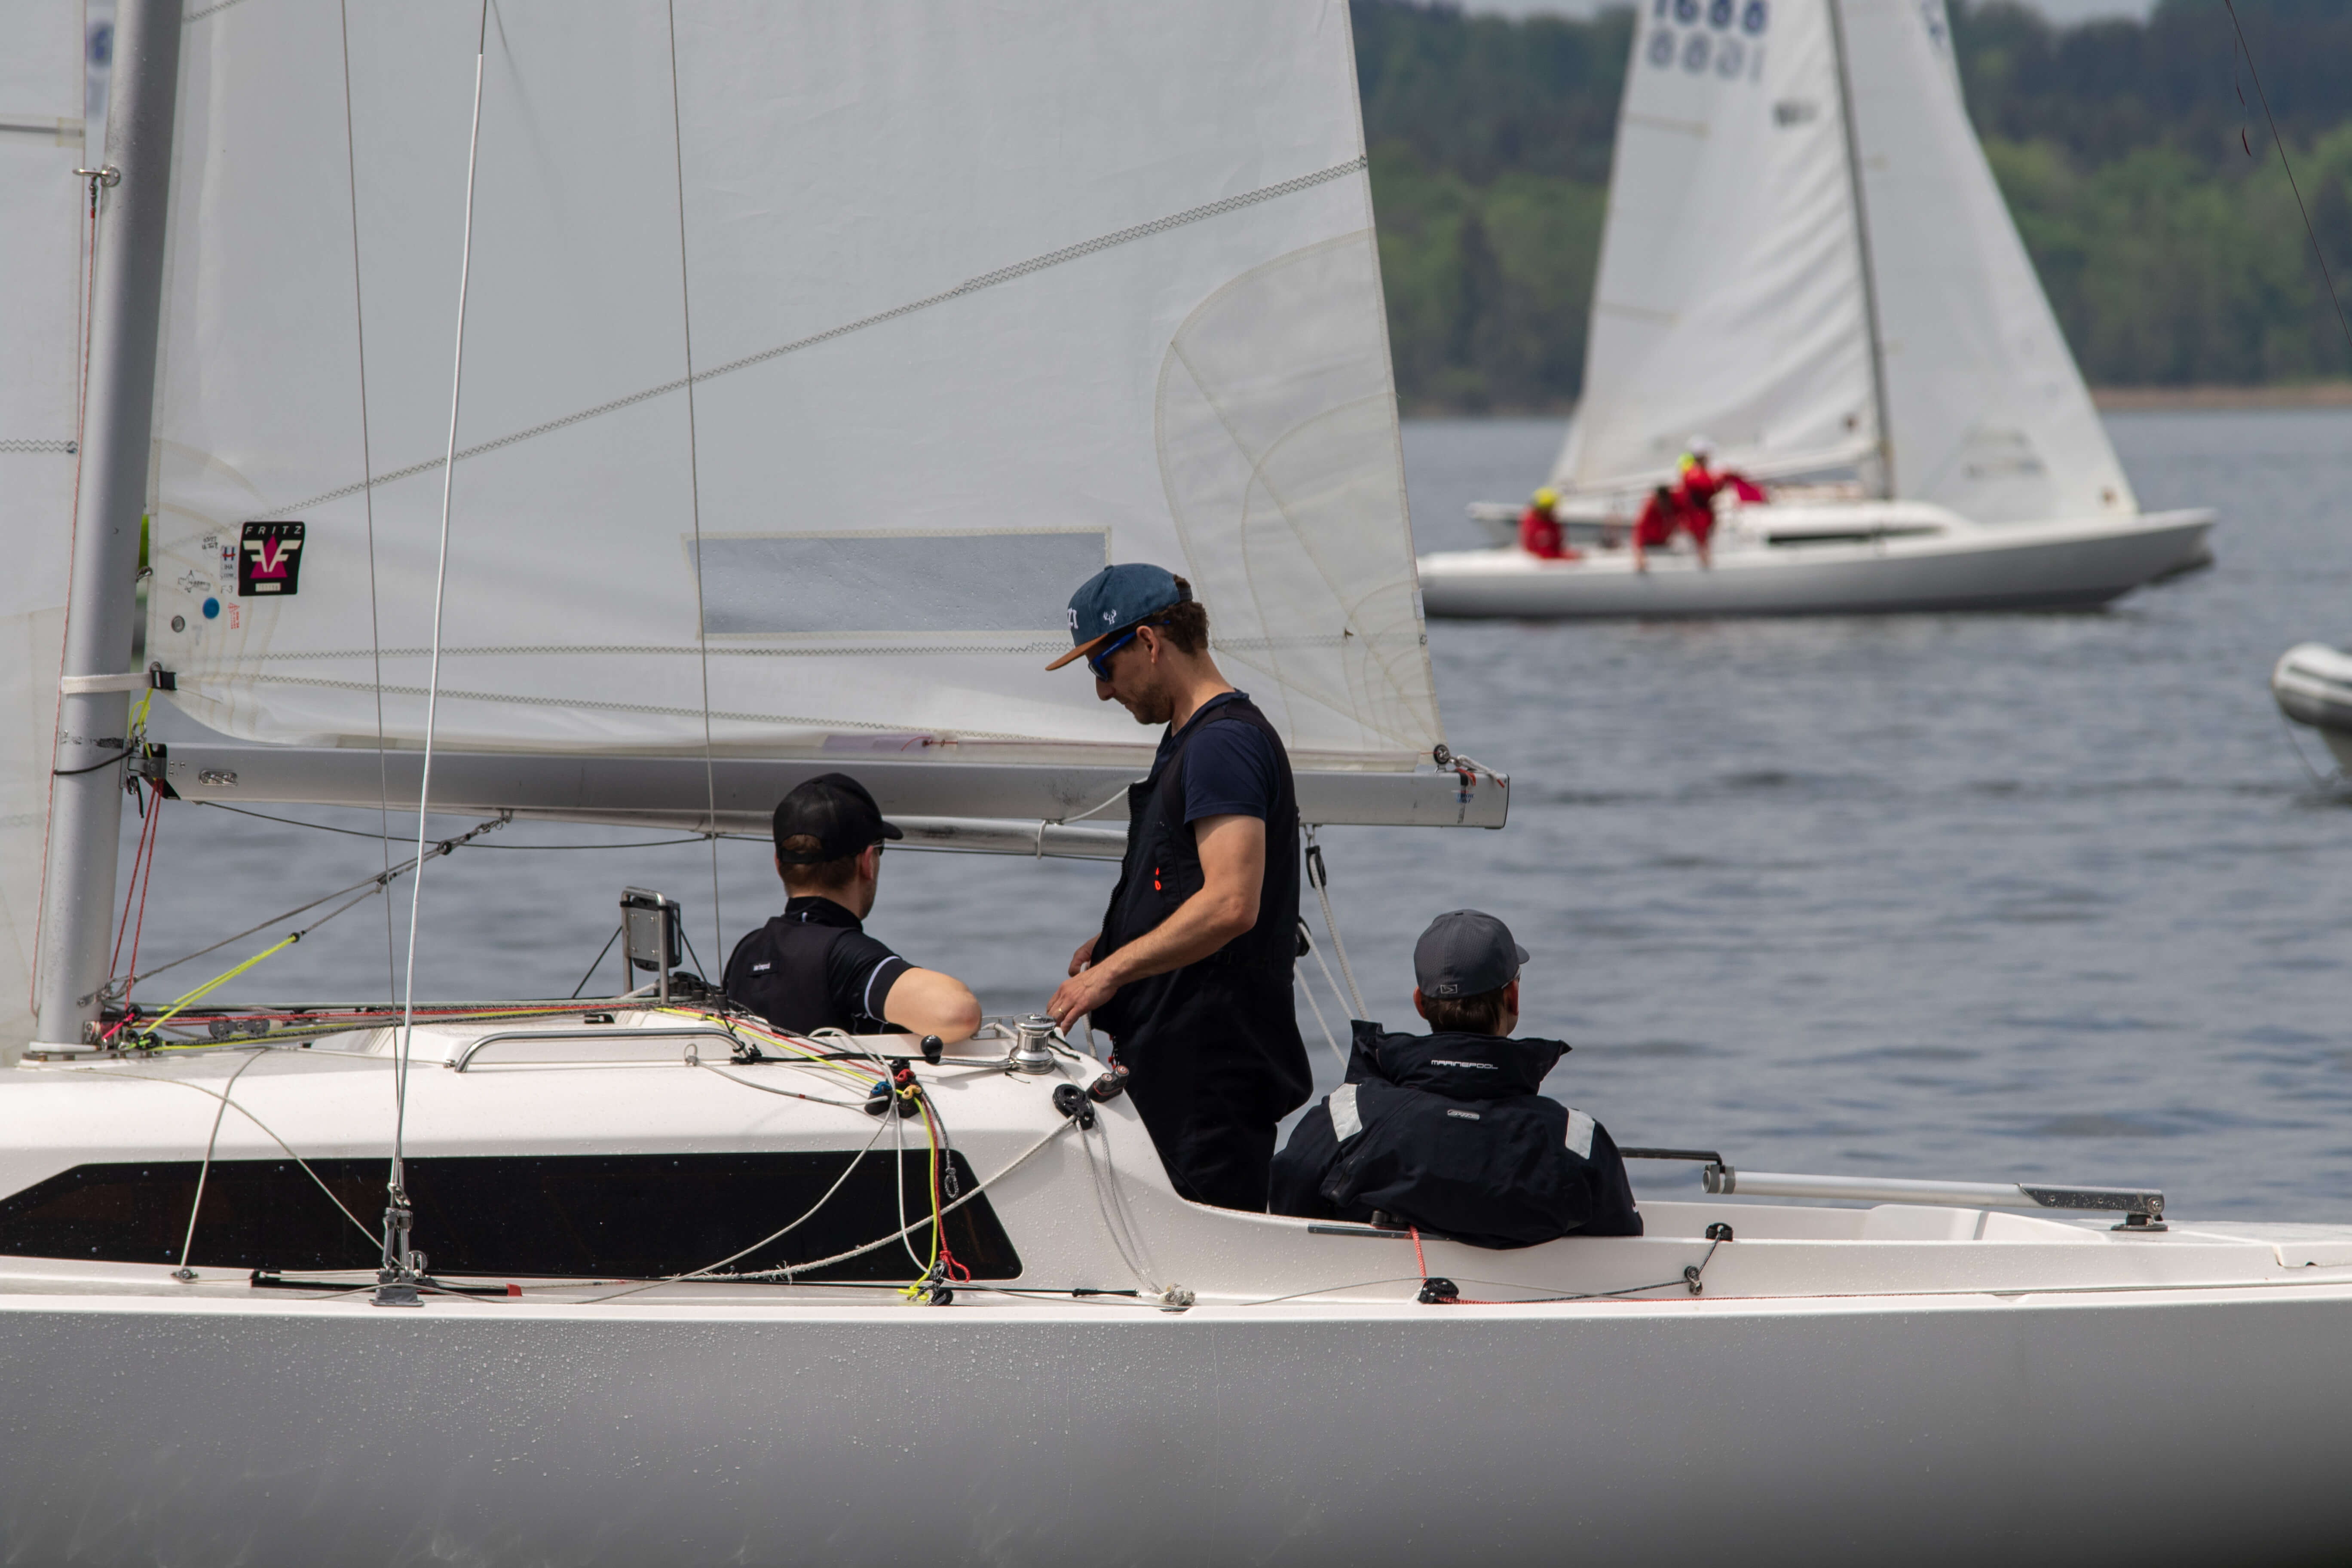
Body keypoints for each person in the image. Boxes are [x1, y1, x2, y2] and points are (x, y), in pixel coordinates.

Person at [1043, 563, 1310, 1211]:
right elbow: (1187, 882)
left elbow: (1231, 903)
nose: (1103, 690)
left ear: (1149, 642)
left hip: (1208, 1081)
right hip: (1182, 1069)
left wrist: (1110, 974)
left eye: (1103, 666)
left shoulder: (1222, 745)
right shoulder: (1191, 739)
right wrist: (1118, 937)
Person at [1268, 910, 1641, 1246]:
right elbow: (1623, 1248)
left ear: (1420, 1003)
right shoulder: (1577, 1140)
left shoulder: (1348, 1118)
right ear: (1513, 998)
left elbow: (1287, 1212)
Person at [723, 772, 981, 1042]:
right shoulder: (845, 957)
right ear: (867, 863)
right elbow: (956, 1013)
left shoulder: (745, 953)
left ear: (778, 865)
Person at [1518, 487, 1578, 561]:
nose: (1552, 511)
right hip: (1543, 562)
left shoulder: (1546, 522)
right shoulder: (1540, 528)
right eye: (1549, 508)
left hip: (1546, 558)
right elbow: (1546, 553)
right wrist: (1567, 556)